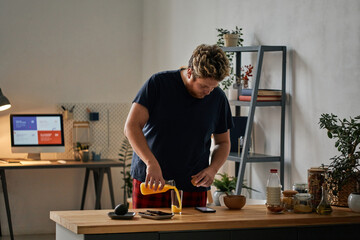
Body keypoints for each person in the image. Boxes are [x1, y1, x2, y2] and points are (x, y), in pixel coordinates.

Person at [124, 44, 233, 208]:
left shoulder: (218, 98)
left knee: (190, 234)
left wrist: (213, 169)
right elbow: (131, 127)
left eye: (213, 87)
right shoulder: (158, 84)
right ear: (190, 73)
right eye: (204, 86)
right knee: (148, 233)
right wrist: (150, 163)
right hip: (152, 181)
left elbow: (223, 143)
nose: (208, 92)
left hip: (193, 185)